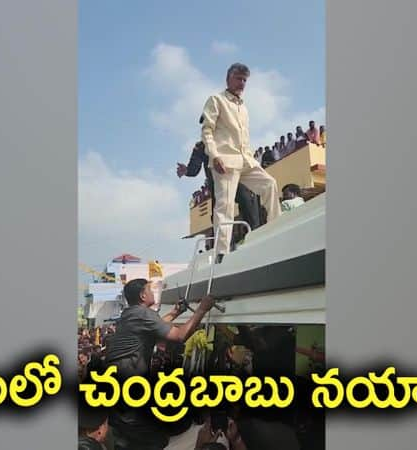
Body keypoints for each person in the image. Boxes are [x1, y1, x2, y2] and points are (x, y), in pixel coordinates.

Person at [104, 279, 215, 450]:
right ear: (142, 295)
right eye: (150, 289)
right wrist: (202, 309)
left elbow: (155, 327)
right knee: (155, 441)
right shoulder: (143, 314)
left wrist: (176, 312)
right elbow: (179, 336)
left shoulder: (130, 314)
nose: (152, 292)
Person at [200, 63, 281, 259]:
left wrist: (250, 157)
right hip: (225, 161)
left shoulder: (243, 107)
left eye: (245, 80)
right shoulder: (216, 100)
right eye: (238, 78)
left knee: (270, 184)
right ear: (228, 78)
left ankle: (277, 231)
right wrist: (214, 155)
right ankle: (222, 253)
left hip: (246, 160)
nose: (242, 83)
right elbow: (207, 130)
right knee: (225, 205)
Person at [177, 140, 261, 234]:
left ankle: (254, 233)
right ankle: (225, 244)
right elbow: (194, 169)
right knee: (219, 216)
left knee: (247, 200)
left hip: (235, 178)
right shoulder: (201, 146)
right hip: (217, 186)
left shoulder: (228, 137)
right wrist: (186, 171)